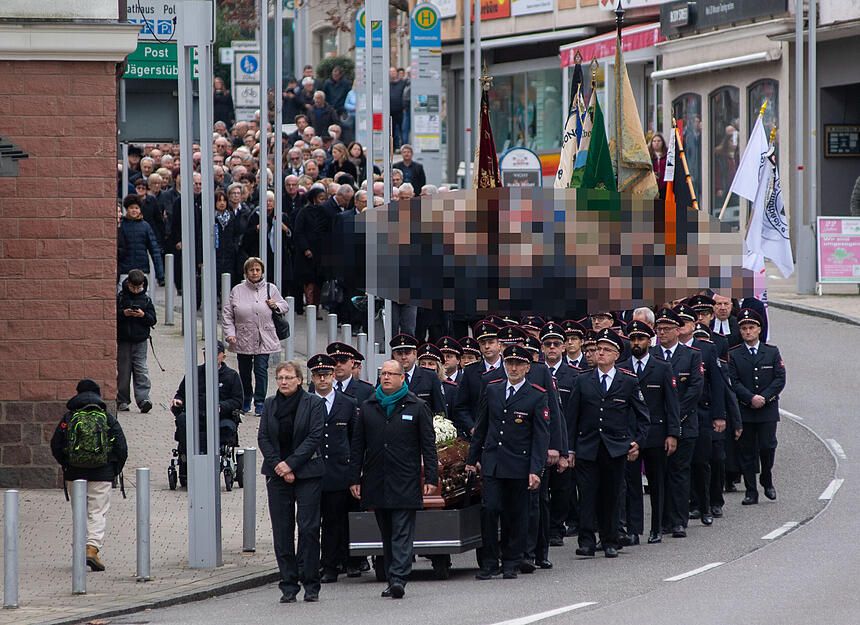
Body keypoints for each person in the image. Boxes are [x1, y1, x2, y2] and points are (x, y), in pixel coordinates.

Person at [350, 360, 438, 599]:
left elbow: (428, 446)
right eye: (383, 374)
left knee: (401, 531)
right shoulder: (368, 407)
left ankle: (399, 578)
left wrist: (431, 477)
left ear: (402, 378)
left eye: (391, 374)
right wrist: (354, 478)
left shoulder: (417, 406)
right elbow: (358, 446)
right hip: (376, 479)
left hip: (405, 479)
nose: (386, 377)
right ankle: (392, 577)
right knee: (387, 533)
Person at [466, 345, 549, 579]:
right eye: (509, 364)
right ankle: (490, 561)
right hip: (493, 462)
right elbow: (481, 426)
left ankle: (512, 560)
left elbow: (540, 437)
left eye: (518, 364)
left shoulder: (536, 395)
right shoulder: (492, 389)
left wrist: (536, 470)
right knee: (489, 510)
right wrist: (472, 459)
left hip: (518, 465)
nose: (513, 368)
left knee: (516, 514)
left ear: (527, 367)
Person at [566, 328, 650, 558]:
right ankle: (586, 540)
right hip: (587, 446)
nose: (600, 353)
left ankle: (610, 539)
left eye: (606, 350)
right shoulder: (582, 380)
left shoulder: (628, 381)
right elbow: (571, 417)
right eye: (598, 349)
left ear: (616, 355)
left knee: (612, 495)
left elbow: (643, 416)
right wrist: (570, 449)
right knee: (587, 494)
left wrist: (637, 443)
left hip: (615, 447)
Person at [258, 360, 325, 603]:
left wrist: (291, 464)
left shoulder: (314, 404)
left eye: (288, 377)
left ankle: (311, 583)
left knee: (308, 529)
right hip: (277, 474)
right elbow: (263, 437)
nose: (284, 382)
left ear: (299, 380)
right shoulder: (269, 404)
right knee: (282, 530)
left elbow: (314, 436)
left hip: (307, 472)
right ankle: (288, 584)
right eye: (280, 378)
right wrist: (279, 465)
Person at [51, 379, 128, 572]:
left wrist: (66, 464)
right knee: (97, 512)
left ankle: (80, 552)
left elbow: (55, 445)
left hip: (74, 474)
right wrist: (114, 470)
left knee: (80, 514)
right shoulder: (107, 417)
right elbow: (122, 447)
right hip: (102, 474)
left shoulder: (68, 418)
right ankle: (91, 550)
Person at [624, 320, 679, 544]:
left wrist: (673, 433)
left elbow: (672, 403)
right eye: (633, 339)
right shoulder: (622, 367)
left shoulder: (662, 367)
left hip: (657, 433)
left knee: (657, 483)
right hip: (630, 435)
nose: (637, 343)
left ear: (649, 341)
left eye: (641, 339)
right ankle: (634, 529)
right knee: (632, 484)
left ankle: (657, 527)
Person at [653, 307, 703, 538]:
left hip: (685, 423)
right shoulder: (651, 355)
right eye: (659, 329)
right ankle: (662, 519)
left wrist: (675, 415)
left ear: (677, 330)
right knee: (659, 474)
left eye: (666, 329)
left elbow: (694, 389)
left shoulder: (692, 355)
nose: (662, 333)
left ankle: (678, 520)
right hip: (657, 425)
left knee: (679, 473)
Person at [728, 308, 785, 505]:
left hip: (767, 409)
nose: (747, 332)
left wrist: (765, 397)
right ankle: (751, 490)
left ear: (759, 329)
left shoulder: (771, 351)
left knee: (767, 446)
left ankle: (766, 477)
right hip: (745, 409)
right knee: (746, 450)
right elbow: (733, 381)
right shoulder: (734, 354)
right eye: (744, 328)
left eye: (751, 327)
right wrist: (750, 397)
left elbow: (779, 378)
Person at [222, 257, 289, 415]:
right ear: (246, 272)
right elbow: (227, 315)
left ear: (262, 272)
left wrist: (276, 305)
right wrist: (230, 334)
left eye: (258, 270)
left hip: (264, 337)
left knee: (261, 369)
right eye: (251, 270)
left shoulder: (270, 288)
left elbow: (284, 305)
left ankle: (260, 401)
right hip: (243, 337)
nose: (255, 272)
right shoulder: (237, 290)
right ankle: (246, 398)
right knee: (244, 370)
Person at [171, 341, 243, 481]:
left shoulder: (232, 376)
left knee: (226, 428)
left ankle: (215, 458)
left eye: (214, 354)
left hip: (220, 417)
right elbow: (181, 394)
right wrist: (178, 400)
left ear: (223, 357)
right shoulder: (194, 373)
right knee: (182, 420)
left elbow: (238, 401)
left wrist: (222, 406)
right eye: (206, 353)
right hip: (196, 416)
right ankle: (187, 458)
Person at [116, 269, 156, 413]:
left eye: (139, 287)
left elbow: (153, 319)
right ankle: (122, 400)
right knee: (123, 371)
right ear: (128, 283)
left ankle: (144, 399)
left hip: (140, 341)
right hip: (124, 341)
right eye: (133, 287)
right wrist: (124, 313)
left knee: (141, 369)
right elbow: (113, 316)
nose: (136, 290)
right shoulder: (121, 298)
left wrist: (143, 315)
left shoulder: (146, 299)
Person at [389, 334, 448, 418]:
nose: (403, 357)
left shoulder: (430, 376)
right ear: (394, 355)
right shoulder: (387, 376)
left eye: (407, 353)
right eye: (399, 353)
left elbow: (440, 409)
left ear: (415, 353)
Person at [117, 194, 164, 287]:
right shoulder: (121, 225)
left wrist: (160, 275)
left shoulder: (145, 226)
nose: (134, 210)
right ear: (126, 209)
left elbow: (154, 250)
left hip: (142, 269)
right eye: (131, 207)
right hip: (125, 270)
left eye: (136, 208)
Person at [649, 134, 668, 199]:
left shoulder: (667, 155)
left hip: (665, 185)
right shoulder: (648, 156)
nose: (656, 143)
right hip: (653, 186)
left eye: (659, 141)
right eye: (654, 141)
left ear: (662, 142)